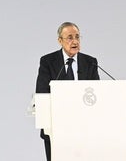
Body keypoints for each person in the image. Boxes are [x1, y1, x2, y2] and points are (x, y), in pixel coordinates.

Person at [35, 22, 100, 161]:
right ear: (60, 40)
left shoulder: (90, 62)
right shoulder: (47, 61)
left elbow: (97, 93)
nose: (75, 41)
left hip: (84, 128)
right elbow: (42, 92)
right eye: (69, 37)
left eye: (77, 37)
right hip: (56, 128)